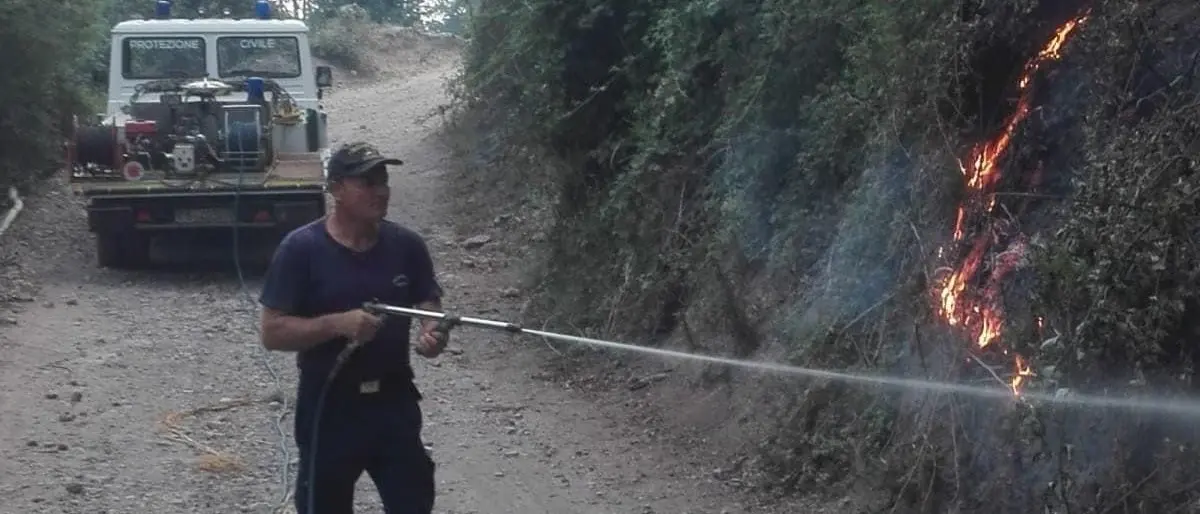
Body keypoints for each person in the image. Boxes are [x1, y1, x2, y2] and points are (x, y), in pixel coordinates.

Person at [257, 141, 448, 514]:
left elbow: (429, 302)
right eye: (367, 182)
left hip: (393, 401)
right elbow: (272, 332)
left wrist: (433, 331)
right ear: (336, 189)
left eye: (384, 180)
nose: (381, 191)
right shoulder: (300, 250)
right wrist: (337, 324)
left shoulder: (407, 246)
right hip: (330, 405)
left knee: (413, 501)